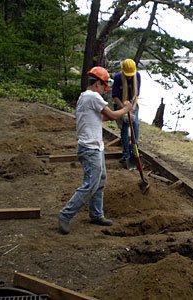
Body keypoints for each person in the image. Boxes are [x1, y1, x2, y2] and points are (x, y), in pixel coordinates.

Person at [58, 66, 132, 234]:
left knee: (100, 180)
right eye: (104, 86)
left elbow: (103, 117)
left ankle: (96, 214)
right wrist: (126, 109)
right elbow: (112, 116)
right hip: (90, 148)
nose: (104, 91)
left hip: (94, 147)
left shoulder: (84, 97)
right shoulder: (93, 96)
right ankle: (65, 214)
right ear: (97, 83)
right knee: (90, 184)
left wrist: (120, 112)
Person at [111, 58, 141, 167]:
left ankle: (134, 152)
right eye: (127, 74)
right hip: (120, 104)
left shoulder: (137, 76)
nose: (129, 76)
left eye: (130, 74)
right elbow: (114, 96)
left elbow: (136, 95)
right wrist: (123, 109)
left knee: (135, 125)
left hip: (132, 105)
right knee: (124, 128)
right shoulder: (118, 77)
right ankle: (126, 154)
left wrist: (131, 109)